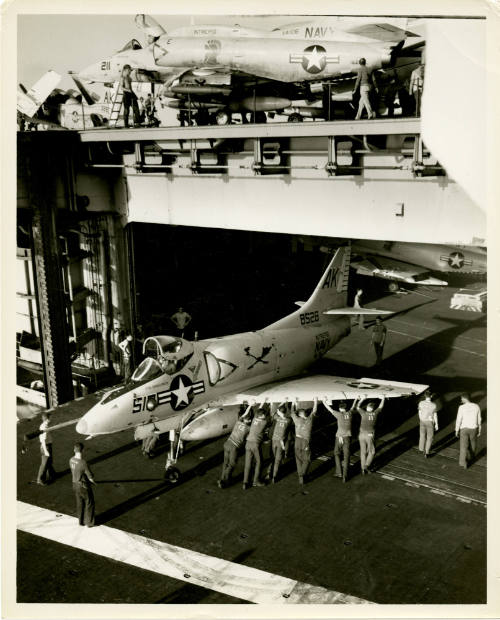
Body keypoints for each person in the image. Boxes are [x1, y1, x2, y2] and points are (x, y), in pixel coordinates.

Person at [322, 397, 359, 482]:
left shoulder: (339, 414)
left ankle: (339, 472)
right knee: (346, 456)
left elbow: (329, 409)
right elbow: (353, 407)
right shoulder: (350, 413)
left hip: (339, 437)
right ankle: (345, 475)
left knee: (337, 453)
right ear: (346, 408)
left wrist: (324, 402)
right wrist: (356, 399)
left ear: (340, 408)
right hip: (348, 437)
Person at [218, 403, 253, 488]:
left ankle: (222, 477)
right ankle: (224, 481)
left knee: (225, 463)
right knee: (232, 464)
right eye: (249, 420)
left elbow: (244, 415)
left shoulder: (238, 422)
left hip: (227, 443)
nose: (250, 421)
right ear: (247, 421)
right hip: (234, 446)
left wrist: (250, 406)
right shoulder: (248, 428)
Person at [290, 397, 318, 487]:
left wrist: (293, 403)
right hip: (305, 441)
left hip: (297, 440)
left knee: (298, 458)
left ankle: (300, 474)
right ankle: (302, 474)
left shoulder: (297, 420)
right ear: (304, 414)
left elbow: (291, 412)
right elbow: (314, 411)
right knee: (307, 459)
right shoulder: (309, 420)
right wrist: (315, 401)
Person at [243, 399, 270, 489]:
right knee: (259, 462)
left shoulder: (254, 419)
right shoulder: (264, 422)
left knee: (248, 463)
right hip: (255, 444)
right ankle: (256, 481)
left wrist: (263, 401)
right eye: (264, 415)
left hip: (248, 443)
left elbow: (259, 410)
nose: (265, 416)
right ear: (262, 416)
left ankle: (245, 482)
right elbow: (269, 419)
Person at [69, 442, 97, 527]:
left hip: (75, 484)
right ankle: (89, 522)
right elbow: (90, 476)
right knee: (89, 503)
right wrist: (93, 482)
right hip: (83, 485)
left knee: (80, 503)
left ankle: (80, 521)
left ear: (74, 450)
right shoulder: (83, 463)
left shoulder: (71, 460)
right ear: (83, 450)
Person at [356, 395, 386, 474]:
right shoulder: (375, 414)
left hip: (361, 434)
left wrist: (362, 399)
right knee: (372, 451)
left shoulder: (363, 413)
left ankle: (362, 467)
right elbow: (380, 406)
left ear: (367, 408)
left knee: (363, 451)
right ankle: (366, 466)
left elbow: (357, 406)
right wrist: (383, 398)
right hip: (370, 435)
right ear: (373, 409)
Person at [265, 401, 292, 483]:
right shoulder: (288, 420)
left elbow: (275, 412)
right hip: (281, 442)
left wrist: (283, 402)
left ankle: (268, 473)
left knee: (272, 458)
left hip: (274, 440)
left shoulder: (277, 418)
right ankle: (274, 476)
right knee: (277, 460)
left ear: (279, 412)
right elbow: (290, 415)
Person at [455, 393, 482, 469]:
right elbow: (479, 419)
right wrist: (479, 429)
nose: (461, 400)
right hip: (473, 428)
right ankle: (472, 458)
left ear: (464, 398)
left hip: (464, 429)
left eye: (461, 398)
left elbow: (458, 419)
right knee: (473, 444)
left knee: (463, 446)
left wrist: (456, 430)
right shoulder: (476, 406)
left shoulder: (461, 407)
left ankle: (463, 462)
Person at [37, 412, 56, 485]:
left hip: (47, 446)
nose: (52, 418)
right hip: (46, 447)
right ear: (48, 418)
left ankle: (52, 474)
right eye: (51, 417)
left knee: (49, 462)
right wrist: (45, 450)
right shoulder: (45, 427)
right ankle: (40, 479)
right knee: (44, 464)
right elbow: (43, 440)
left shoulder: (44, 425)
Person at [418, 390, 438, 457]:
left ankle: (421, 448)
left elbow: (419, 412)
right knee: (430, 437)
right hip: (429, 422)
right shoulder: (434, 405)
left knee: (422, 435)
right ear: (431, 396)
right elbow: (435, 415)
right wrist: (436, 424)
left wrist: (421, 419)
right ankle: (427, 452)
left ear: (424, 395)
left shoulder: (421, 403)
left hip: (422, 421)